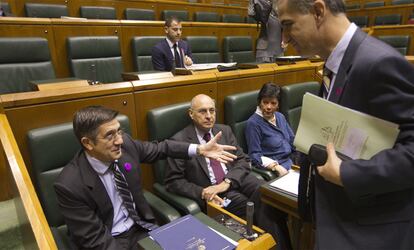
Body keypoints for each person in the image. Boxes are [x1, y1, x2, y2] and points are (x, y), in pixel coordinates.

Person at [276, 0, 414, 248]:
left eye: (288, 25)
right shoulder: (335, 63)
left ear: (318, 11)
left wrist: (347, 174)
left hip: (371, 233)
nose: (284, 39)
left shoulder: (378, 62)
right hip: (337, 221)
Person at [54, 105, 237, 249]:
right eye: (110, 136)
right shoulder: (69, 185)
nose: (119, 140)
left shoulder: (126, 145)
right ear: (88, 143)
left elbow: (161, 148)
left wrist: (199, 149)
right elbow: (95, 241)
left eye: (119, 131)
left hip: (143, 228)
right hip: (111, 240)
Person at [165, 94, 292, 250]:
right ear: (191, 114)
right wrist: (202, 192)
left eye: (212, 110)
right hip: (217, 193)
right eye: (202, 111)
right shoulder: (179, 141)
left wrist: (227, 182)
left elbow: (243, 160)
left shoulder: (224, 131)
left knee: (268, 195)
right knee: (255, 209)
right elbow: (173, 181)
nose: (209, 116)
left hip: (236, 179)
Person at [245, 82, 295, 176]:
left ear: (278, 105)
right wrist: (275, 167)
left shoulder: (280, 117)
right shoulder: (253, 123)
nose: (268, 107)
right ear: (260, 102)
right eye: (265, 102)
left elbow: (292, 141)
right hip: (279, 167)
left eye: (273, 103)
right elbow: (254, 155)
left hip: (292, 163)